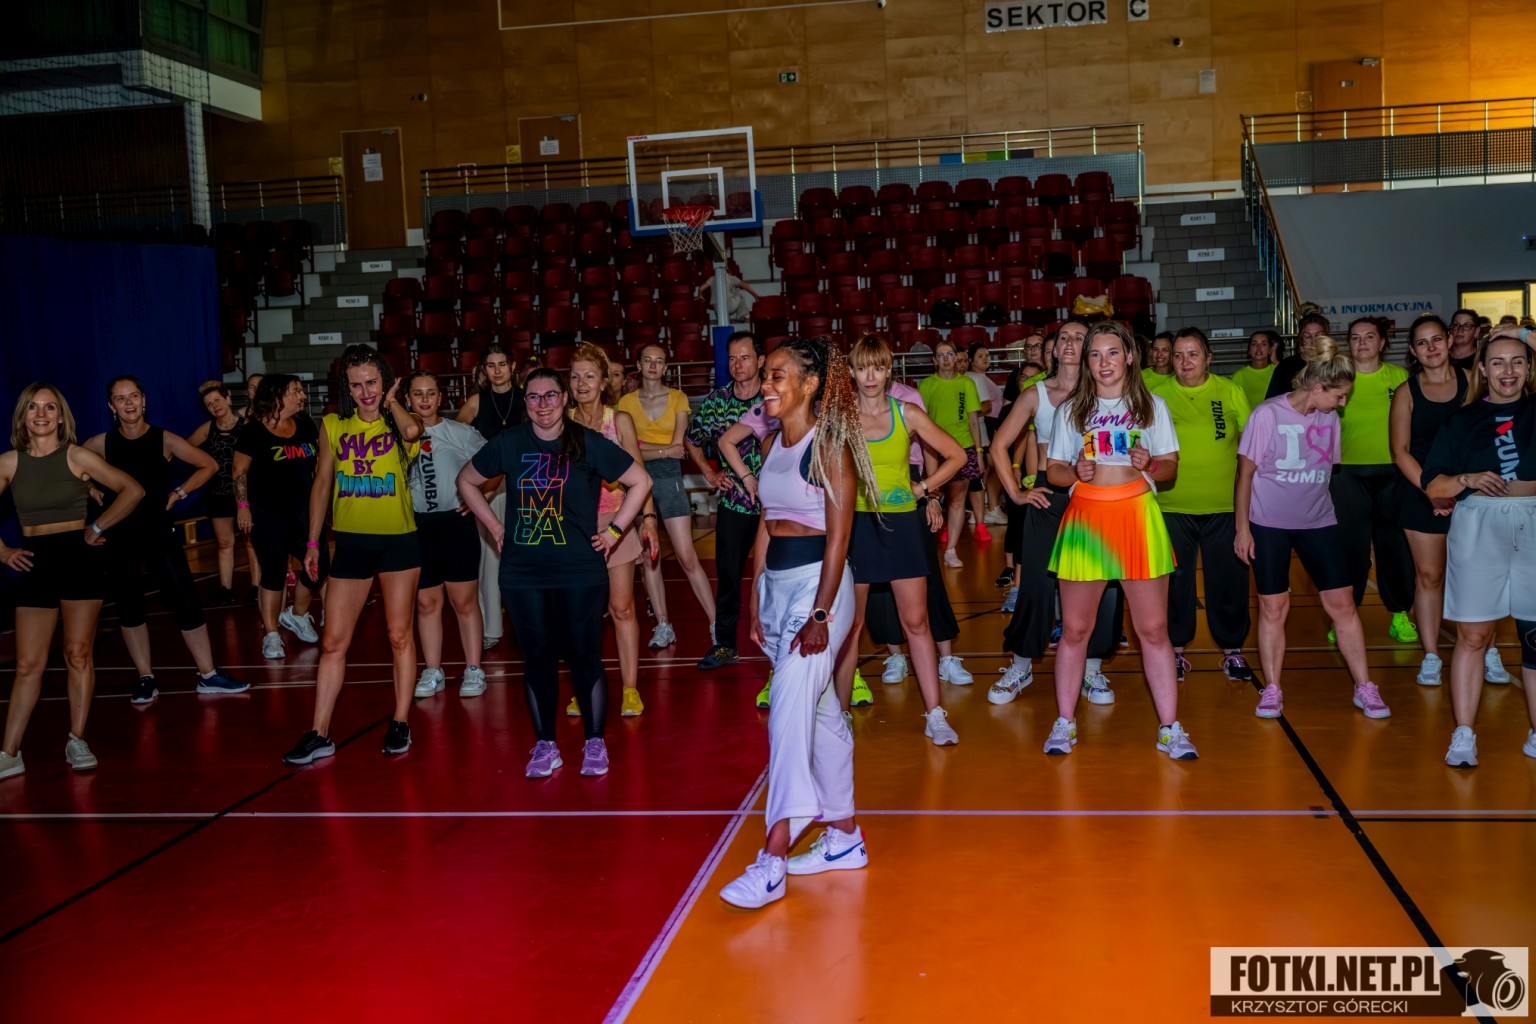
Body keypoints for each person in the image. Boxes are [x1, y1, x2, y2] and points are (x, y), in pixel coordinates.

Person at [718, 337, 878, 909]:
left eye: (777, 376)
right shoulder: (771, 444)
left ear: (809, 385)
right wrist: (756, 595)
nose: (766, 384)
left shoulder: (828, 446)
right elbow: (770, 522)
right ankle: (844, 837)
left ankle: (773, 858)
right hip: (778, 589)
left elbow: (839, 539)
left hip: (818, 591)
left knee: (786, 711)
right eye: (765, 375)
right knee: (823, 715)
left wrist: (820, 614)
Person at [457, 368, 653, 779]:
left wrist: (615, 531)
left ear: (564, 399)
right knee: (538, 659)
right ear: (525, 402)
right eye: (533, 397)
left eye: (550, 396)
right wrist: (494, 527)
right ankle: (546, 744)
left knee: (584, 656)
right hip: (523, 572)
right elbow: (467, 481)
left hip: (580, 570)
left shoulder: (587, 442)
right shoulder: (510, 442)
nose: (542, 404)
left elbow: (640, 480)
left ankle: (594, 742)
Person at [1041, 321, 1196, 759]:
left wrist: (1152, 464)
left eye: (1112, 353)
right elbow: (1054, 470)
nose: (1104, 362)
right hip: (1087, 519)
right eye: (1095, 354)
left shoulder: (1152, 406)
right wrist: (1074, 471)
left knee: (1153, 629)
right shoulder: (1071, 410)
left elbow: (1170, 466)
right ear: (1086, 361)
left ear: (1129, 356)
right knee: (1075, 629)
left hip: (1137, 516)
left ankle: (1170, 728)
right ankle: (1064, 723)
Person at [1235, 337, 1391, 723]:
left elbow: (1326, 471)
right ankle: (1272, 688)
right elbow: (1245, 474)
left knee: (1343, 605)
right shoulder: (1267, 415)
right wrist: (1243, 529)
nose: (1343, 403)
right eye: (1339, 396)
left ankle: (1364, 686)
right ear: (1318, 387)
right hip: (1269, 524)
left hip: (1318, 523)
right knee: (1274, 607)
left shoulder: (1330, 419)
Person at [282, 344, 424, 765]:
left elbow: (413, 433)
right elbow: (322, 483)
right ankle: (319, 732)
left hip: (399, 541)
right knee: (332, 643)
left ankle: (400, 721)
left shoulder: (400, 421)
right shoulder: (333, 425)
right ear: (346, 387)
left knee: (399, 635)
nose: (366, 392)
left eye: (373, 383)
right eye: (357, 385)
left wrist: (392, 402)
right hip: (350, 543)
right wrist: (312, 541)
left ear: (385, 382)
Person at [1, 384, 144, 779]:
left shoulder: (77, 456)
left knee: (78, 654)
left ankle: (77, 739)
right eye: (33, 408)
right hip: (35, 563)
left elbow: (133, 490)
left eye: (50, 408)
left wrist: (97, 526)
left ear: (61, 417)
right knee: (27, 664)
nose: (41, 414)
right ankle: (9, 752)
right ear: (22, 417)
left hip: (79, 561)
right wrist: (3, 552)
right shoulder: (9, 463)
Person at [833, 334, 967, 746]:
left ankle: (935, 714)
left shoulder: (906, 413)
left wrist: (923, 488)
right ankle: (839, 716)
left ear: (889, 371)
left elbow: (958, 455)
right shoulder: (840, 418)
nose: (870, 376)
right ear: (851, 372)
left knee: (917, 622)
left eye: (877, 367)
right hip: (857, 527)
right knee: (851, 626)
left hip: (902, 525)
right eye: (862, 368)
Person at [84, 376, 247, 704]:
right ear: (111, 406)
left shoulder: (164, 439)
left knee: (185, 601)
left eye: (133, 396)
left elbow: (209, 464)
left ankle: (208, 674)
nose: (128, 403)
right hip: (120, 537)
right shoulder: (100, 444)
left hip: (159, 533)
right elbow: (71, 470)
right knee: (130, 607)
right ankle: (145, 677)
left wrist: (180, 492)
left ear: (144, 400)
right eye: (120, 399)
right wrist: (90, 488)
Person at [991, 322, 1125, 707]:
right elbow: (998, 446)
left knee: (1104, 585)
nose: (1069, 343)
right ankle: (1021, 665)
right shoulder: (1036, 394)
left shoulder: (1106, 392)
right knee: (1035, 584)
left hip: (1097, 497)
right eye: (1063, 337)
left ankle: (1092, 669)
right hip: (1050, 497)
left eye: (1079, 338)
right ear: (1053, 349)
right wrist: (1016, 493)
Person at [1421, 323, 1536, 767]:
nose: (1508, 371)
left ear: (1528, 368)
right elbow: (1434, 486)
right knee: (1473, 635)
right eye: (1498, 363)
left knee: (1534, 636)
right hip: (1478, 525)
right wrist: (1466, 479)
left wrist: (1521, 333)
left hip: (1532, 521)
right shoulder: (1461, 420)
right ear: (1483, 370)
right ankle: (1464, 733)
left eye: (1517, 362)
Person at [1388, 315, 1493, 687]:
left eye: (1436, 339)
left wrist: (1460, 488)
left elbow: (1486, 437)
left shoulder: (1473, 383)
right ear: (1413, 351)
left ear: (1449, 341)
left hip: (1471, 493)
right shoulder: (1407, 392)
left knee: (1477, 576)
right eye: (1422, 342)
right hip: (1421, 493)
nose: (1431, 348)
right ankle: (1431, 654)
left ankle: (1487, 648)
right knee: (1430, 576)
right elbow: (1400, 451)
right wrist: (1433, 490)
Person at [1150, 328, 1254, 682]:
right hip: (1171, 506)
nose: (1185, 362)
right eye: (1178, 355)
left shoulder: (1229, 391)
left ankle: (1232, 650)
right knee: (1175, 582)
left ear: (1208, 357)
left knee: (1228, 580)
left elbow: (1251, 444)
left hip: (1224, 505)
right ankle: (1175, 651)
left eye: (1193, 354)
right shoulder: (1157, 396)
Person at [567, 343, 659, 718]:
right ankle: (582, 686)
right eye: (575, 376)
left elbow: (640, 475)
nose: (581, 383)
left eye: (589, 376)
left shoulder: (618, 421)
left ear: (604, 382)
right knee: (580, 614)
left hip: (615, 523)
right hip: (574, 527)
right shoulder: (561, 421)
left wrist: (648, 519)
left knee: (621, 608)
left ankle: (630, 689)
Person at [617, 343, 714, 649]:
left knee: (687, 556)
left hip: (669, 479)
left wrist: (645, 448)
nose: (653, 365)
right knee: (649, 558)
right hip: (636, 482)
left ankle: (716, 624)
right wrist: (658, 450)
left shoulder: (678, 398)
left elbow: (678, 449)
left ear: (665, 368)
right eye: (647, 360)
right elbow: (627, 450)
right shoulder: (625, 402)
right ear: (639, 364)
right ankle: (663, 625)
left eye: (659, 361)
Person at [402, 371, 489, 700]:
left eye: (431, 393)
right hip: (418, 527)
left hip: (456, 524)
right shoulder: (398, 437)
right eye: (417, 393)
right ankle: (433, 669)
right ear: (408, 399)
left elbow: (493, 467)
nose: (424, 399)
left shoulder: (461, 433)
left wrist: (478, 497)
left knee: (463, 601)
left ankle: (474, 668)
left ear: (441, 398)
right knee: (426, 603)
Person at [1332, 316, 1417, 644]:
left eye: (1369, 336)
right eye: (1355, 337)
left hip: (1393, 475)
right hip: (1346, 475)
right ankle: (1343, 617)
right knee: (1348, 551)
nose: (1362, 342)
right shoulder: (1337, 378)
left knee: (1394, 548)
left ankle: (1400, 614)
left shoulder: (1400, 378)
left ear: (1382, 342)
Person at [686, 331, 766, 670]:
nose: (738, 364)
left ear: (761, 360)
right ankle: (725, 644)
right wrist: (709, 472)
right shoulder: (717, 401)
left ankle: (780, 643)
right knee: (729, 575)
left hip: (775, 504)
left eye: (745, 357)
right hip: (734, 502)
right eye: (732, 358)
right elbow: (691, 439)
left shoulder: (775, 396)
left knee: (776, 575)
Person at [234, 375, 326, 659]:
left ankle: (297, 614)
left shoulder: (306, 424)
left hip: (304, 511)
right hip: (268, 514)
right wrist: (243, 506)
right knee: (273, 573)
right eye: (296, 391)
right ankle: (271, 633)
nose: (302, 396)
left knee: (320, 566)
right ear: (277, 396)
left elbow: (318, 467)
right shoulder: (253, 431)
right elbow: (239, 471)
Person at [457, 344, 524, 651]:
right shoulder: (476, 402)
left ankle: (527, 620)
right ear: (484, 370)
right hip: (487, 487)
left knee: (523, 553)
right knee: (489, 558)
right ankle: (491, 628)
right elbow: (453, 440)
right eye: (491, 365)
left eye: (502, 364)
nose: (497, 370)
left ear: (512, 367)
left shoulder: (527, 398)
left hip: (524, 485)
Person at [188, 380, 260, 605]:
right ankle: (225, 589)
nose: (215, 406)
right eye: (209, 404)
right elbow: (184, 449)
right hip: (218, 494)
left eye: (217, 400)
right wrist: (204, 466)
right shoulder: (207, 429)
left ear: (228, 399)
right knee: (224, 543)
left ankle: (256, 588)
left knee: (251, 542)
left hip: (245, 494)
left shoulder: (247, 426)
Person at [919, 339, 988, 567]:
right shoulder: (926, 385)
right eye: (941, 355)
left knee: (958, 501)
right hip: (934, 449)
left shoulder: (966, 383)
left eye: (950, 354)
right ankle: (927, 550)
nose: (946, 359)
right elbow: (921, 421)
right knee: (933, 497)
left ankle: (951, 550)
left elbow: (973, 421)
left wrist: (978, 452)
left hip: (963, 448)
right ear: (934, 360)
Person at [969, 342, 1009, 526]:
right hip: (989, 423)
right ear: (971, 360)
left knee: (991, 466)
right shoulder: (975, 378)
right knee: (993, 465)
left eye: (987, 355)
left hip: (994, 422)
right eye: (980, 356)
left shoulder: (982, 378)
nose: (985, 358)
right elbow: (984, 407)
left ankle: (988, 506)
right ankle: (986, 507)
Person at [1265, 311, 1331, 400]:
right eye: (1307, 336)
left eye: (1319, 336)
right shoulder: (1286, 366)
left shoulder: (1335, 363)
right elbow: (1272, 400)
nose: (1313, 341)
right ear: (1301, 338)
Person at [699, 258, 762, 323]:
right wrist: (755, 295)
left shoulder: (712, 278)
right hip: (728, 306)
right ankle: (741, 316)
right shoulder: (732, 278)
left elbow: (700, 288)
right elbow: (747, 286)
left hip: (717, 308)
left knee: (730, 294)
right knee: (740, 295)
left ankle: (723, 316)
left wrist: (700, 295)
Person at [1230, 330, 1280, 409]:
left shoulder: (1279, 372)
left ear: (1270, 349)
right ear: (1249, 350)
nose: (1258, 348)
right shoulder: (1239, 376)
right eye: (1254, 344)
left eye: (1263, 344)